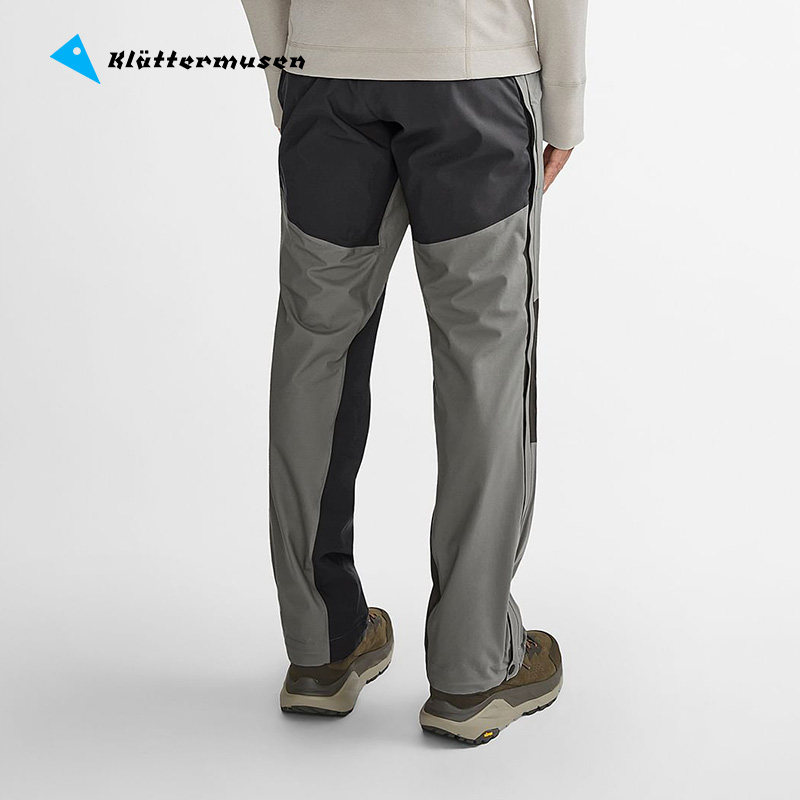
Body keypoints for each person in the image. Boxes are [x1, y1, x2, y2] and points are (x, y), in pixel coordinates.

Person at [241, 0, 587, 745]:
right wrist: (565, 103)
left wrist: (289, 74)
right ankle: (472, 669)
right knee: (484, 361)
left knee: (315, 349)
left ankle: (321, 647)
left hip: (326, 80)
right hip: (473, 77)